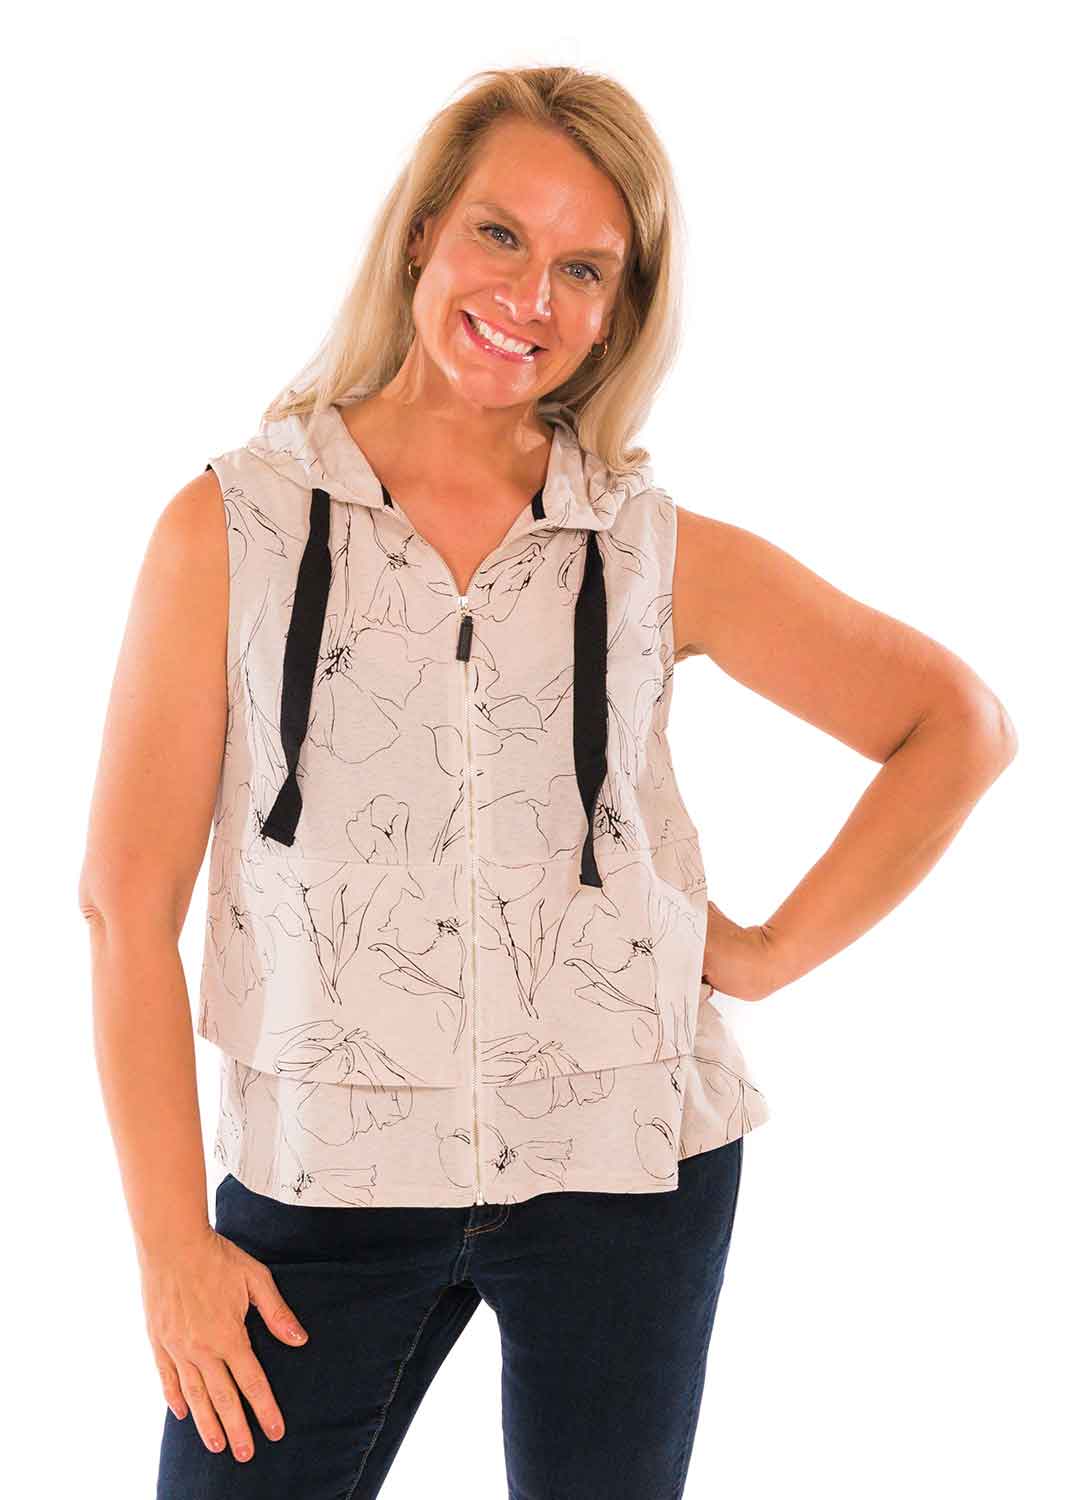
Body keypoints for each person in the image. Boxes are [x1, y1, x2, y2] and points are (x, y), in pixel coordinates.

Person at [78, 65, 1017, 1500]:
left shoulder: (643, 547)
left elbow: (957, 724)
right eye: (501, 235)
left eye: (585, 268)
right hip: (325, 1185)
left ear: (619, 311)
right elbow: (123, 907)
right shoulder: (234, 527)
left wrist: (761, 957)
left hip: (628, 1174)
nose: (530, 295)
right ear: (422, 234)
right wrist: (167, 1249)